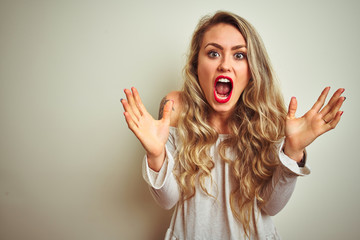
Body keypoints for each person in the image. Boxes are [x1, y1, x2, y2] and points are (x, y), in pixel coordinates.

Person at [120, 11, 345, 240]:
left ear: (252, 71)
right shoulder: (176, 109)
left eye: (239, 55)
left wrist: (293, 151)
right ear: (196, 65)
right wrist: (156, 155)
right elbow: (167, 201)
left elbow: (271, 206)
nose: (225, 65)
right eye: (214, 53)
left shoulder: (271, 118)